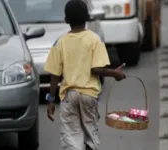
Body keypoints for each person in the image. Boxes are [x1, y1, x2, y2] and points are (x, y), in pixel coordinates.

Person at [44, 0, 126, 149]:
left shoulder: (60, 42)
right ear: (87, 18)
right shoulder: (94, 39)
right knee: (90, 135)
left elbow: (55, 74)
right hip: (89, 95)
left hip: (69, 96)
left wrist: (50, 100)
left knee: (71, 136)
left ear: (66, 20)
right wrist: (114, 73)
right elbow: (96, 69)